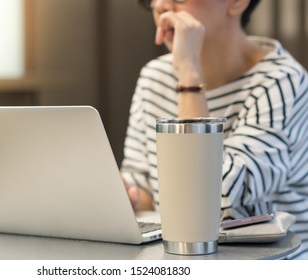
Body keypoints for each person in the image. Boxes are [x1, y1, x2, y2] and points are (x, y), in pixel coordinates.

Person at [121, 0, 308, 259]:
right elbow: (147, 191)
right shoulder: (155, 77)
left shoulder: (282, 81)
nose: (161, 5)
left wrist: (189, 76)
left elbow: (212, 201)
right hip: (181, 260)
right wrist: (120, 194)